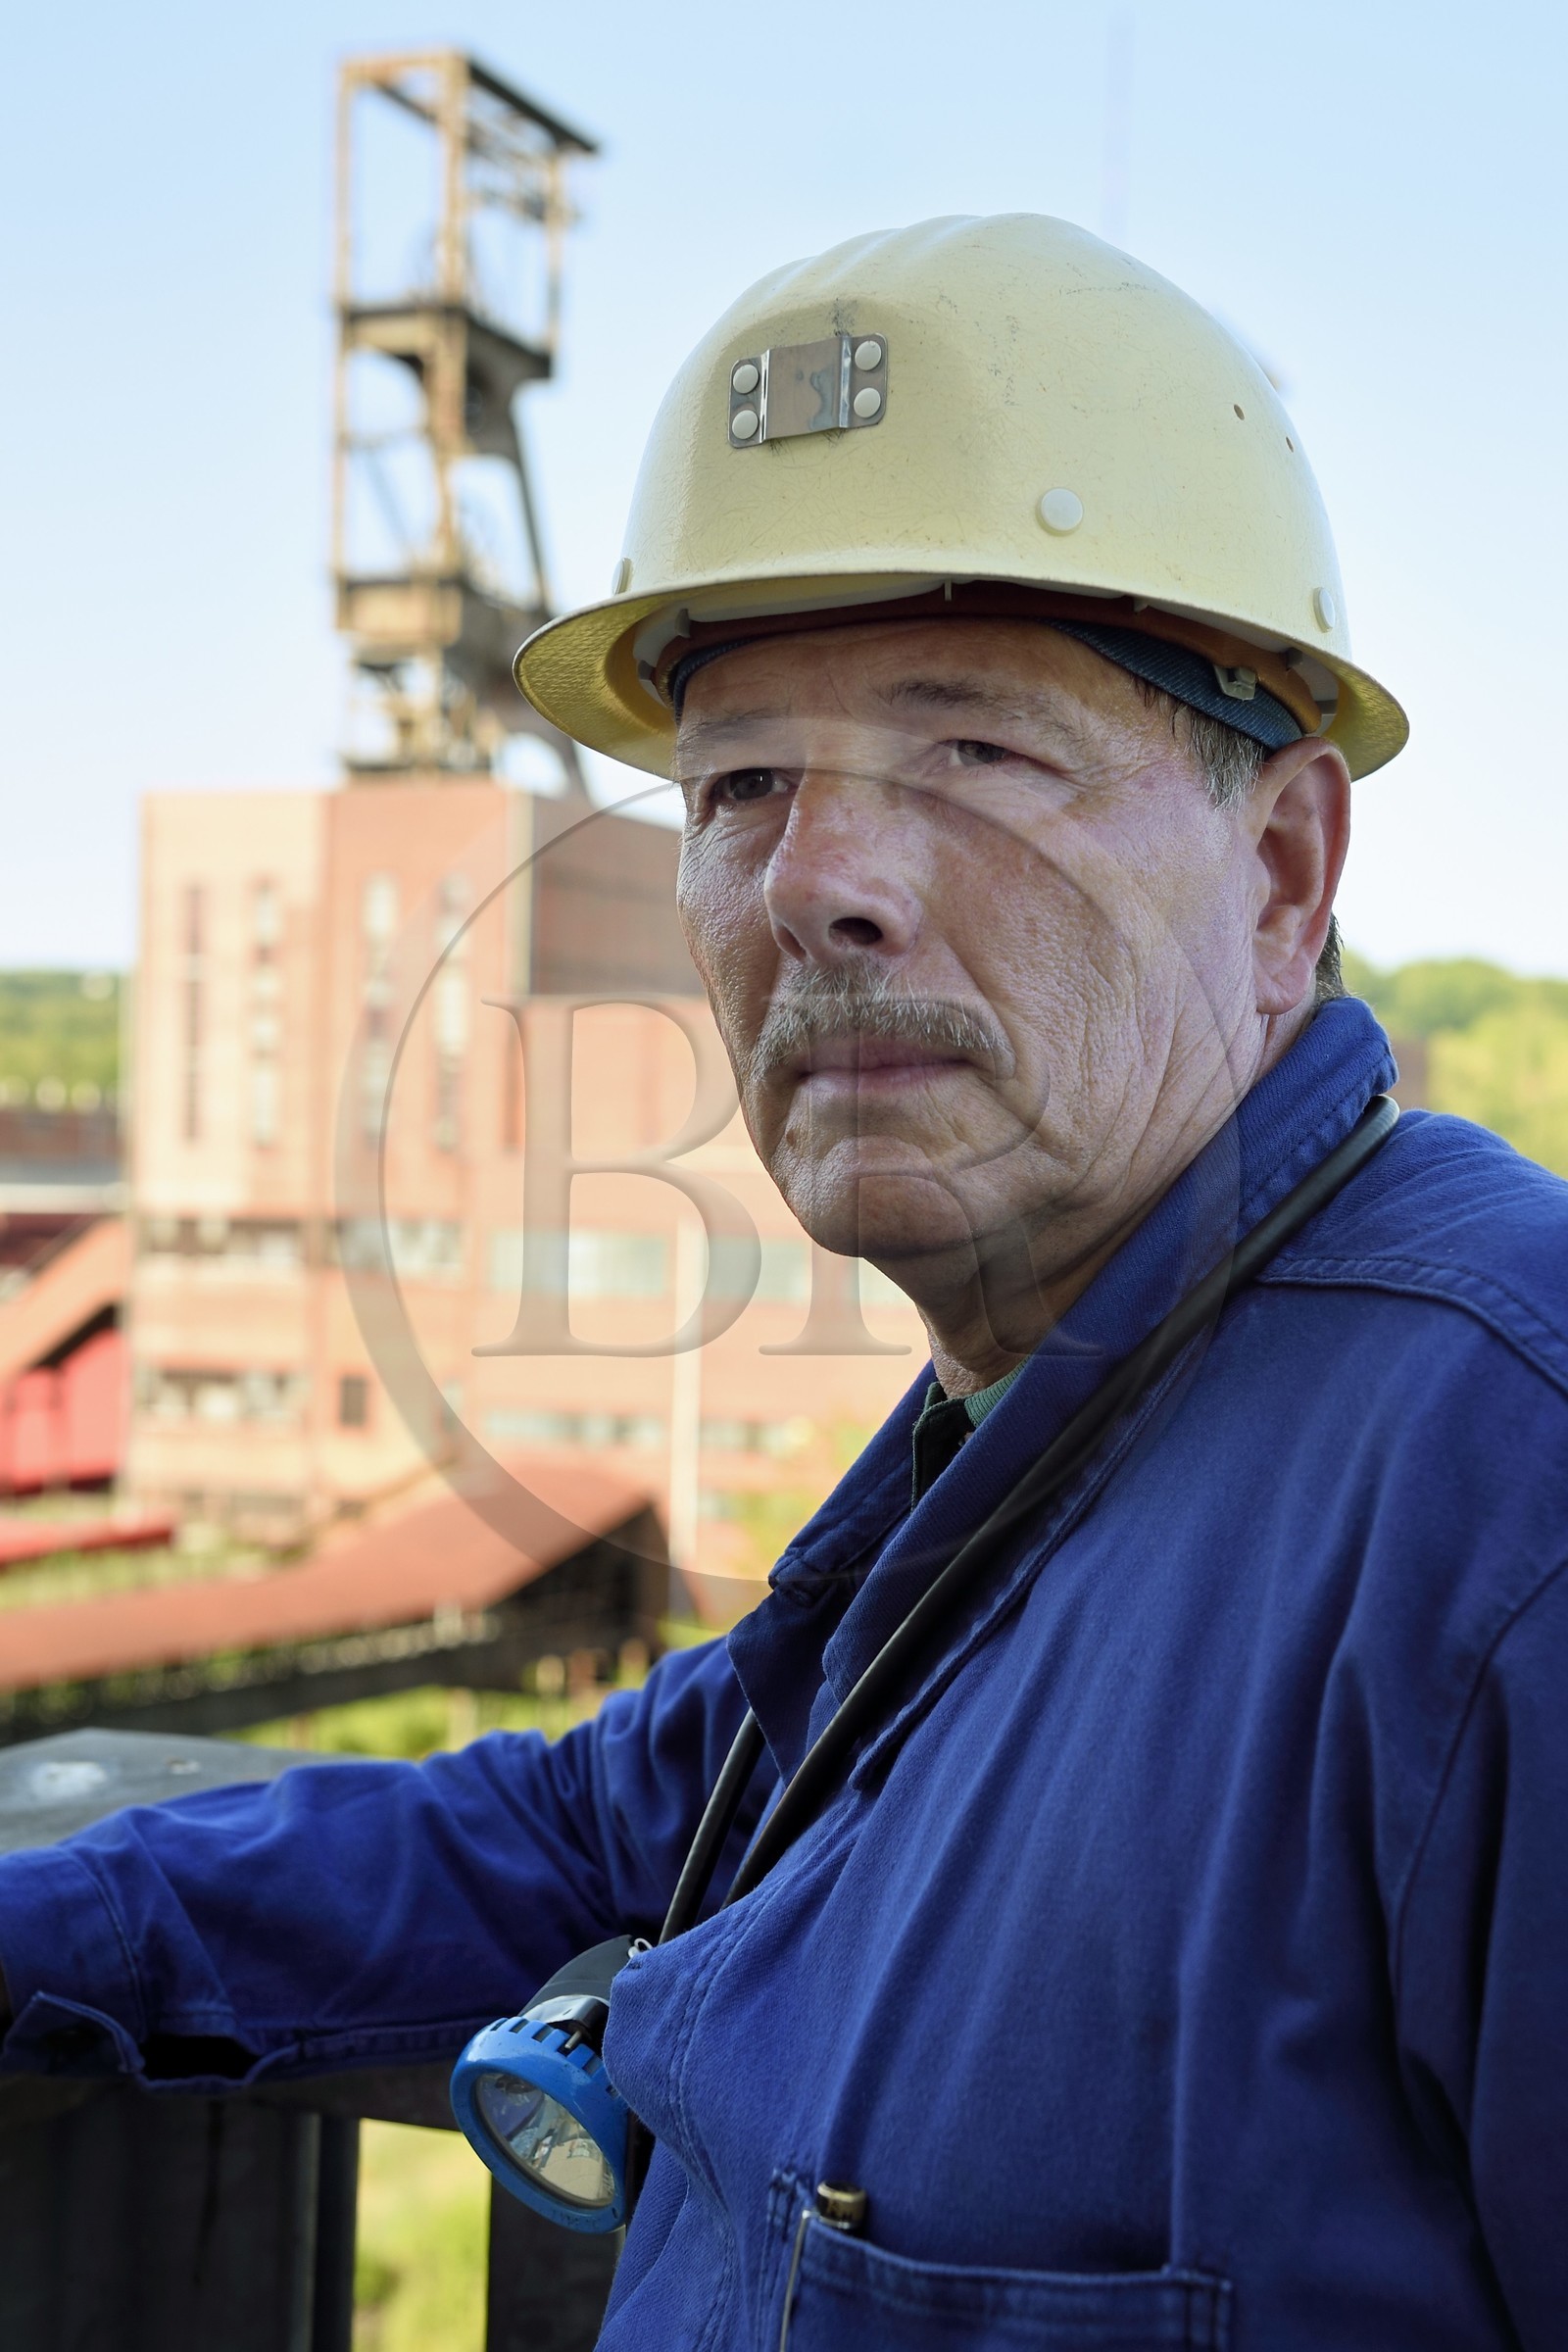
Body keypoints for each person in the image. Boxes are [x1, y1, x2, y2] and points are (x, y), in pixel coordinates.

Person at [4, 216, 1566, 2349]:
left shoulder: (1497, 1486)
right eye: (738, 787)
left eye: (976, 754)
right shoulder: (1020, 1447)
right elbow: (563, 1832)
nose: (817, 881)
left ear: (1281, 871)